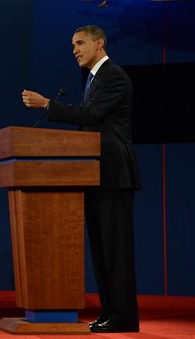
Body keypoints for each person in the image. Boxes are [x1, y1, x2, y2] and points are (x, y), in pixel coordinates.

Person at [22, 25, 140, 333]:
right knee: (101, 251)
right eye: (72, 45)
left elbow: (91, 117)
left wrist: (48, 104)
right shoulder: (92, 78)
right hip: (93, 173)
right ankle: (109, 313)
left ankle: (124, 317)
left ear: (99, 43)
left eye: (80, 43)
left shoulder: (113, 75)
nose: (74, 49)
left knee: (116, 251)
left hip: (114, 175)